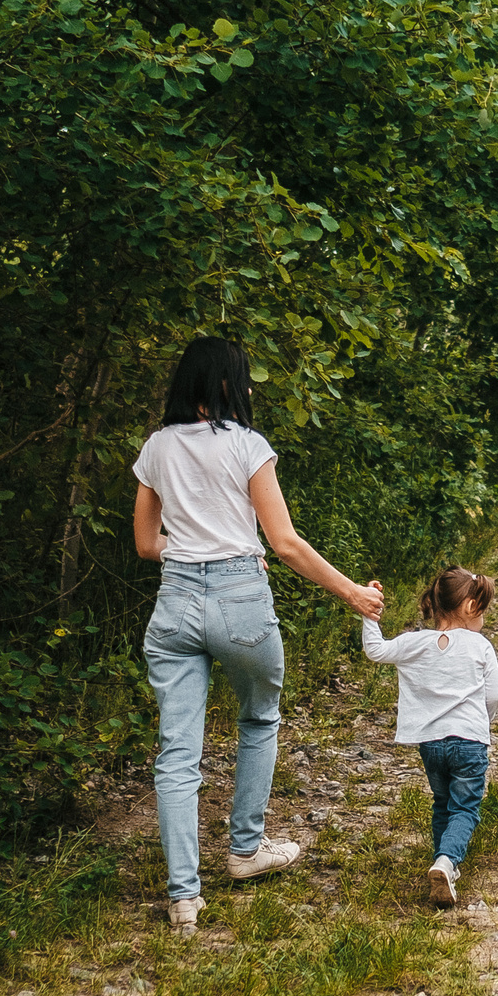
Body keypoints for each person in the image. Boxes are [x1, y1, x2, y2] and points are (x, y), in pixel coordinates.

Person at [132, 337, 384, 932]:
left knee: (177, 753)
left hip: (175, 604)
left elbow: (147, 545)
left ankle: (184, 896)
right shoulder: (247, 446)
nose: (248, 391)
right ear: (224, 385)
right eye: (243, 381)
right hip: (239, 597)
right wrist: (353, 592)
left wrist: (193, 548)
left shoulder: (156, 447)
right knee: (259, 717)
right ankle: (245, 850)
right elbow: (286, 543)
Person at [361, 568, 498, 906]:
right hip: (469, 741)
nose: (483, 616)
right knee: (465, 808)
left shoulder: (415, 642)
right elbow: (495, 695)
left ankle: (442, 865)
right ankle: (447, 860)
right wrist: (487, 721)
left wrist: (369, 614)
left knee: (443, 802)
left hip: (431, 744)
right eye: (482, 609)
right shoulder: (480, 646)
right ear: (470, 606)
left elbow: (376, 651)